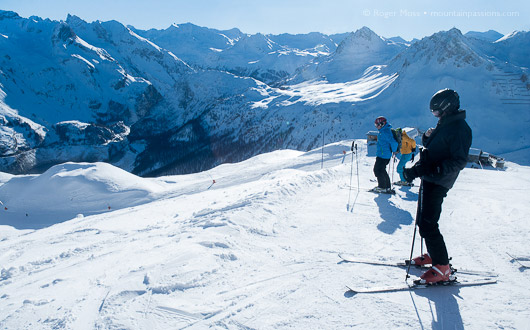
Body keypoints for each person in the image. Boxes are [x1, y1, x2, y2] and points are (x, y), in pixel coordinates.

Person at [403, 88, 472, 284]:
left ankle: (442, 267)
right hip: (430, 176)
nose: (435, 115)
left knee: (428, 223)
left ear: (447, 108)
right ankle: (434, 255)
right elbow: (436, 146)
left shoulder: (460, 129)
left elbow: (459, 160)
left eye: (436, 112)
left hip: (439, 180)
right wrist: (427, 137)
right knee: (422, 221)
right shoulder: (446, 122)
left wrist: (437, 170)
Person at [373, 116, 398, 193]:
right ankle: (387, 187)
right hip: (383, 154)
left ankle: (382, 186)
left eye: (378, 125)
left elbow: (393, 142)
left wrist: (394, 150)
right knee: (382, 170)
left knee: (377, 170)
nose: (377, 127)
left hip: (383, 155)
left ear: (383, 124)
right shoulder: (384, 131)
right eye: (376, 125)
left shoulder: (385, 132)